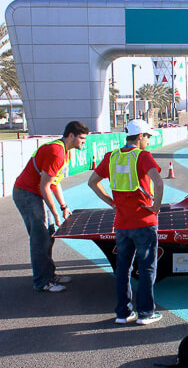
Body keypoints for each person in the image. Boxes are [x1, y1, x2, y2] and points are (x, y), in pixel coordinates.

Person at [88, 119, 164, 325]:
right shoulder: (143, 156)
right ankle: (146, 313)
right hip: (144, 221)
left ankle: (123, 313)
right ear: (140, 137)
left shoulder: (112, 156)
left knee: (123, 269)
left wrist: (110, 202)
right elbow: (158, 181)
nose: (148, 141)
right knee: (147, 268)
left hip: (122, 223)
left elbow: (92, 182)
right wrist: (156, 206)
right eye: (147, 137)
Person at [13, 121, 89, 292]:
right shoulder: (56, 152)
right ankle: (42, 282)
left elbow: (54, 183)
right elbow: (44, 186)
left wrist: (63, 206)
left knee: (49, 234)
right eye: (82, 138)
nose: (84, 142)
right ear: (71, 136)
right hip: (26, 193)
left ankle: (49, 275)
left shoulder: (65, 152)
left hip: (36, 192)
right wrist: (55, 213)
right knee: (40, 237)